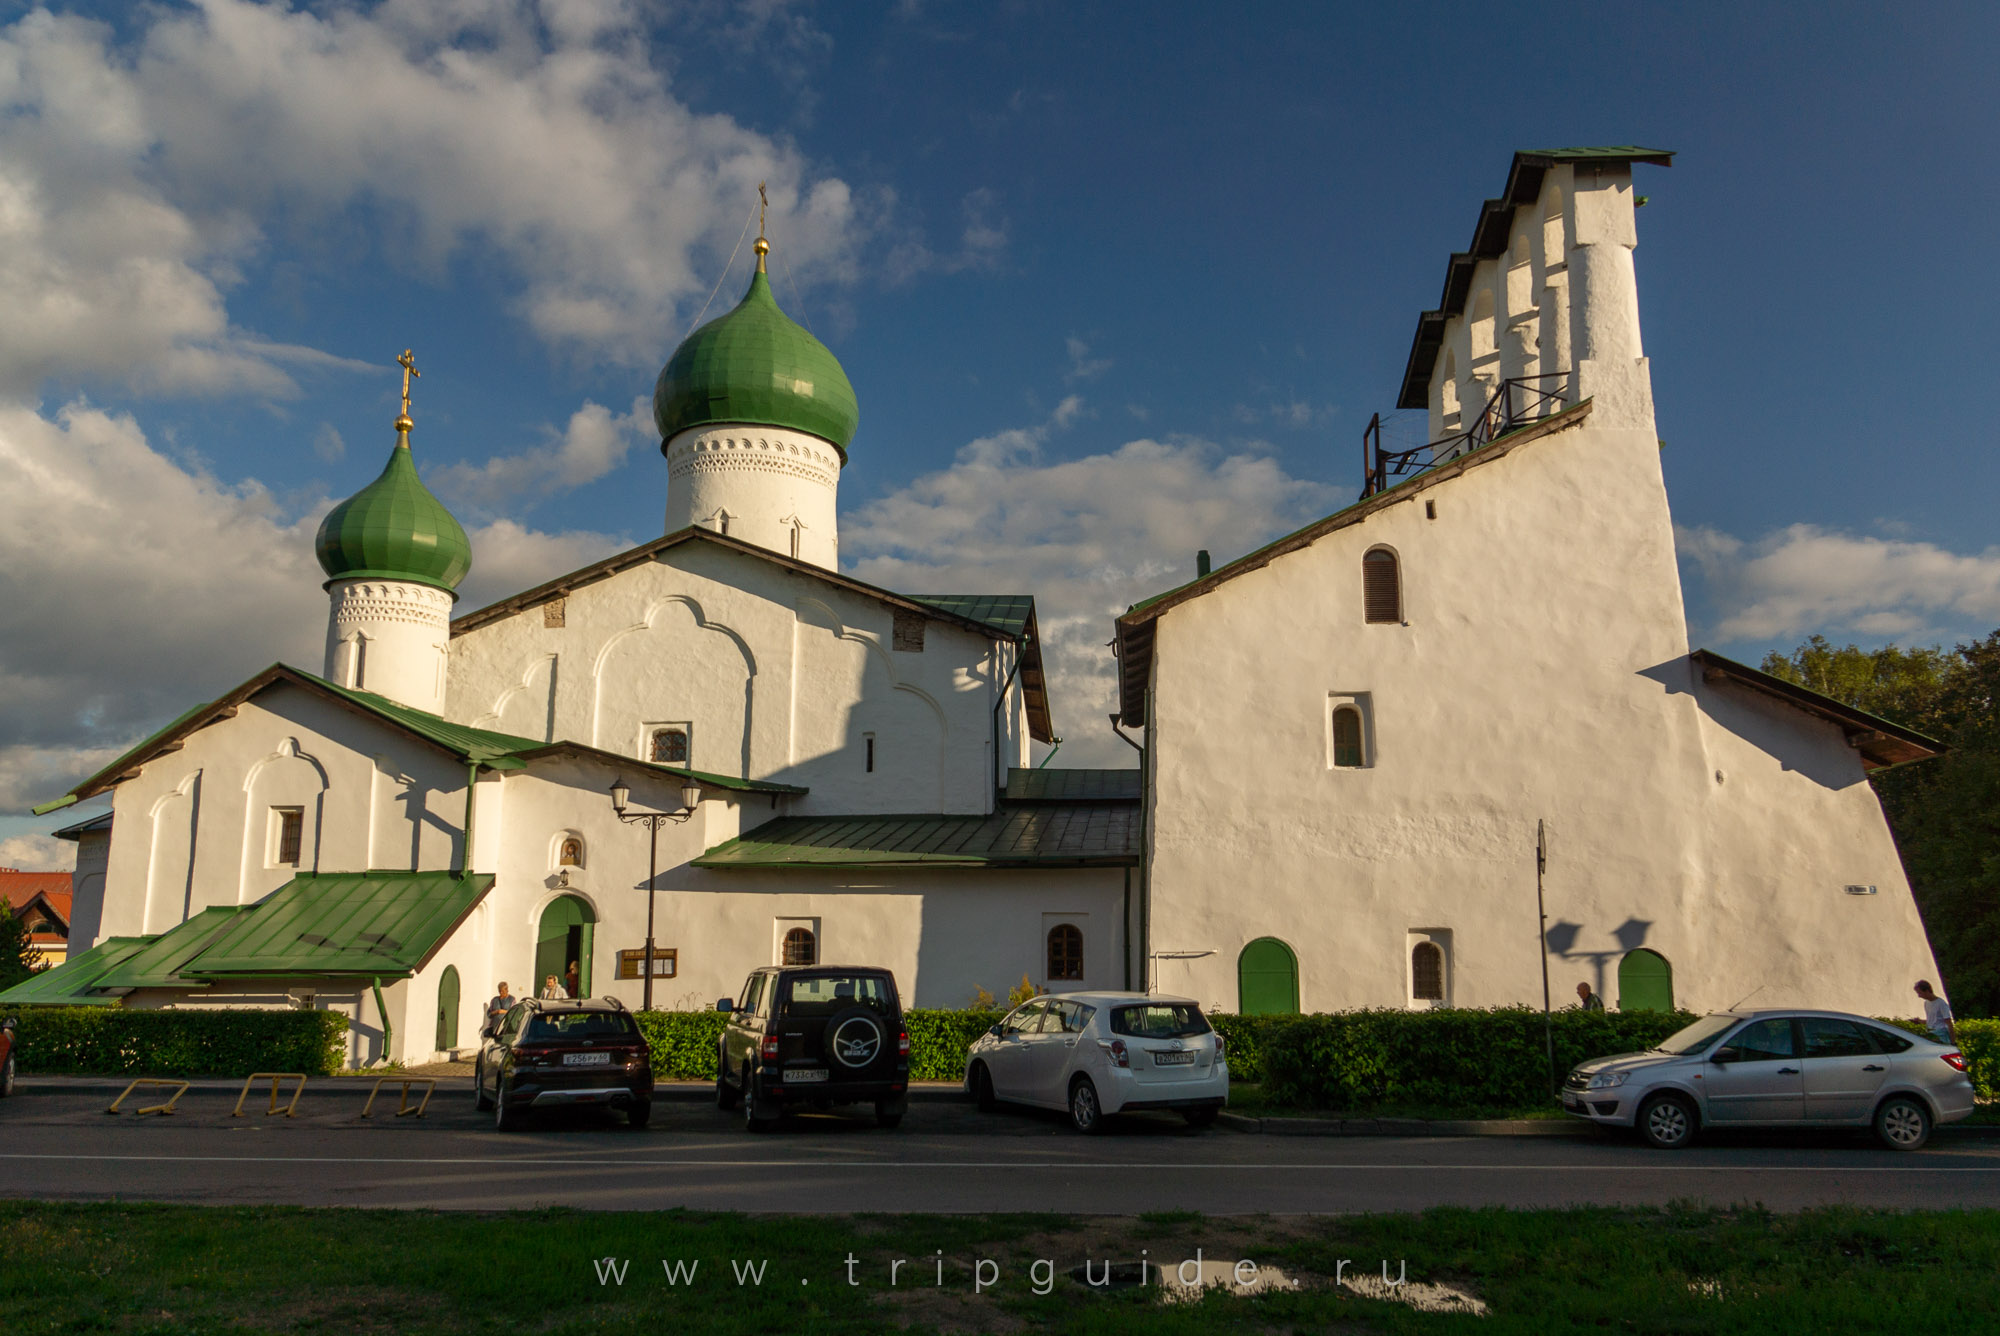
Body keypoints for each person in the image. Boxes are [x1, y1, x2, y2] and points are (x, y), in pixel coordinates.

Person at [1915, 980, 1955, 1044]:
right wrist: (1920, 1021)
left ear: (1927, 991)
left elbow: (1949, 1023)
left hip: (1941, 1036)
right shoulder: (1926, 1003)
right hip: (1931, 1034)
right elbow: (1933, 1020)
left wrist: (1953, 1042)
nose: (1919, 996)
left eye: (1920, 993)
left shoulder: (1941, 1003)